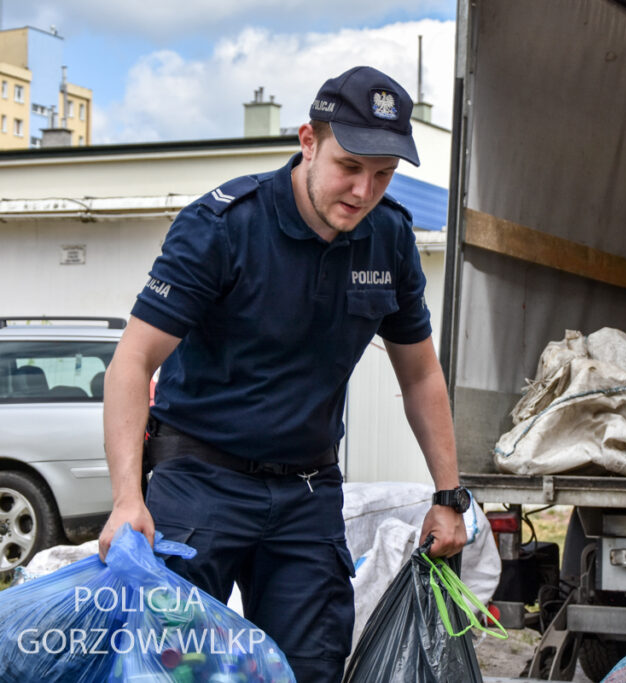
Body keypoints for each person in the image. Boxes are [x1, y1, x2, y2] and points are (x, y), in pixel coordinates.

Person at [97, 66, 468, 682]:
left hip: (306, 493)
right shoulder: (223, 226)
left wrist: (449, 495)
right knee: (175, 669)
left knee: (311, 667)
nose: (363, 190)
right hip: (198, 483)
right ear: (307, 141)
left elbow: (421, 376)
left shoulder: (390, 239)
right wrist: (126, 500)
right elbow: (132, 362)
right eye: (349, 166)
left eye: (383, 175)